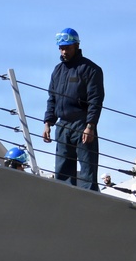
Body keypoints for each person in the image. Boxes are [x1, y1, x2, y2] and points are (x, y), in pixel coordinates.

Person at [42, 28, 104, 191]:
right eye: (61, 48)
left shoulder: (91, 69)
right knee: (62, 173)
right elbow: (52, 98)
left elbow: (95, 100)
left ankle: (89, 203)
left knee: (87, 174)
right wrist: (48, 122)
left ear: (76, 45)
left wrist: (90, 126)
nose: (64, 51)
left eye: (67, 48)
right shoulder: (57, 70)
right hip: (62, 126)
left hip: (82, 124)